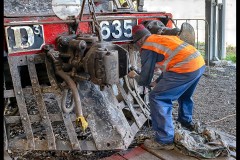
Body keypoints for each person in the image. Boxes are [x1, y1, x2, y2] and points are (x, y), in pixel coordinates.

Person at [128, 24, 206, 150]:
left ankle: (164, 140)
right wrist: (158, 82)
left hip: (185, 67)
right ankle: (186, 122)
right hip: (198, 63)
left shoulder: (147, 47)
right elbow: (170, 61)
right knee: (185, 94)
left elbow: (144, 79)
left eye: (136, 44)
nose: (137, 47)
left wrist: (134, 75)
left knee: (157, 97)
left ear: (140, 40)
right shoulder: (159, 39)